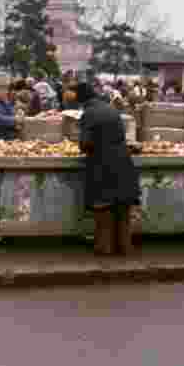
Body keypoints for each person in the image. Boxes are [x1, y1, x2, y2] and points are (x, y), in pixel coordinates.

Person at [73, 82, 139, 256]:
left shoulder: (88, 113)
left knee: (104, 209)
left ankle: (105, 248)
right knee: (123, 208)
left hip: (102, 165)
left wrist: (83, 146)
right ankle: (125, 247)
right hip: (124, 162)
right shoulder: (111, 109)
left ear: (82, 100)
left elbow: (85, 144)